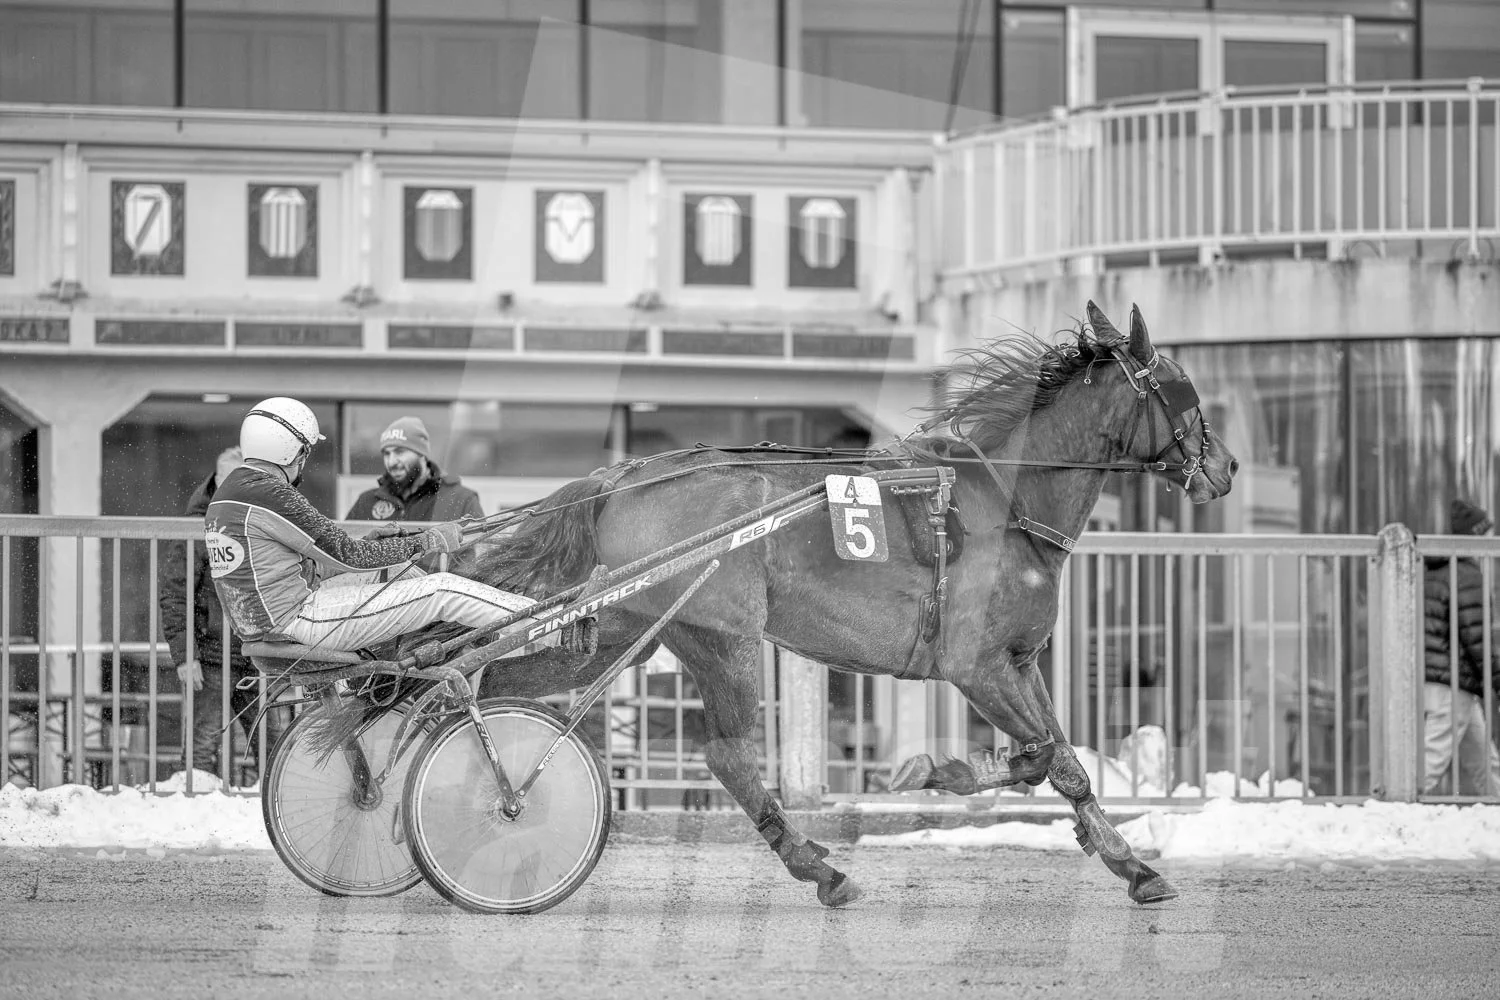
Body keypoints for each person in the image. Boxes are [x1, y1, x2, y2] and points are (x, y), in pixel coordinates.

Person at [206, 397, 564, 656]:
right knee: (442, 589)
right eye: (303, 453)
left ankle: (440, 649)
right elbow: (348, 555)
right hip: (298, 620)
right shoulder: (271, 493)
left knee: (398, 572)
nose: (303, 463)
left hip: (269, 621)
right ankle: (554, 627)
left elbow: (308, 557)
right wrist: (428, 540)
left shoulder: (232, 493)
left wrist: (374, 542)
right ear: (289, 450)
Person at [159, 445, 287, 779]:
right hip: (214, 656)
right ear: (217, 482)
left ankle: (273, 806)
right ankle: (195, 811)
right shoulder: (195, 528)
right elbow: (175, 595)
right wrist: (187, 656)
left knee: (271, 741)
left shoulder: (258, 521)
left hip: (256, 652)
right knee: (203, 743)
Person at [1421, 498, 1500, 796]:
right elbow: (1476, 637)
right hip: (1453, 682)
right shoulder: (1467, 576)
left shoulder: (1438, 571)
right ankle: (1396, 813)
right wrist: (1497, 678)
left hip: (1443, 680)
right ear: (1474, 538)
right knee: (1432, 758)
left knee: (1484, 759)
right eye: (1486, 534)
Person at [345, 416, 483, 524]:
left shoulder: (461, 500)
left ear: (421, 454)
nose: (391, 462)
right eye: (387, 453)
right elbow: (342, 553)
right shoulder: (367, 502)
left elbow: (479, 555)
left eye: (400, 452)